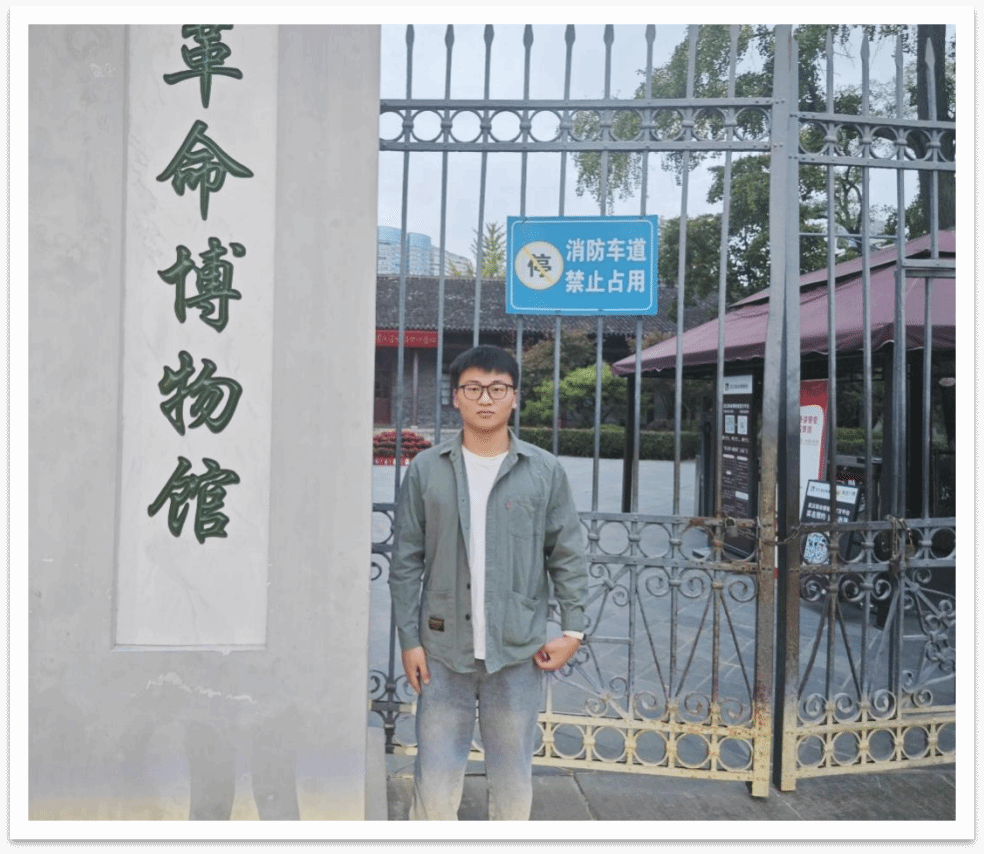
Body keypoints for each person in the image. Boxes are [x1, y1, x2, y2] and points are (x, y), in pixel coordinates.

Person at [389, 345, 589, 821]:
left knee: (513, 774)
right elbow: (406, 560)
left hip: (517, 649)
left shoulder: (542, 470)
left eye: (497, 389)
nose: (485, 399)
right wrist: (409, 640)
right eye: (473, 388)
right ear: (455, 397)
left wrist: (573, 630)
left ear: (514, 397)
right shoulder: (426, 469)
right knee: (436, 775)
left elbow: (566, 552)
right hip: (442, 650)